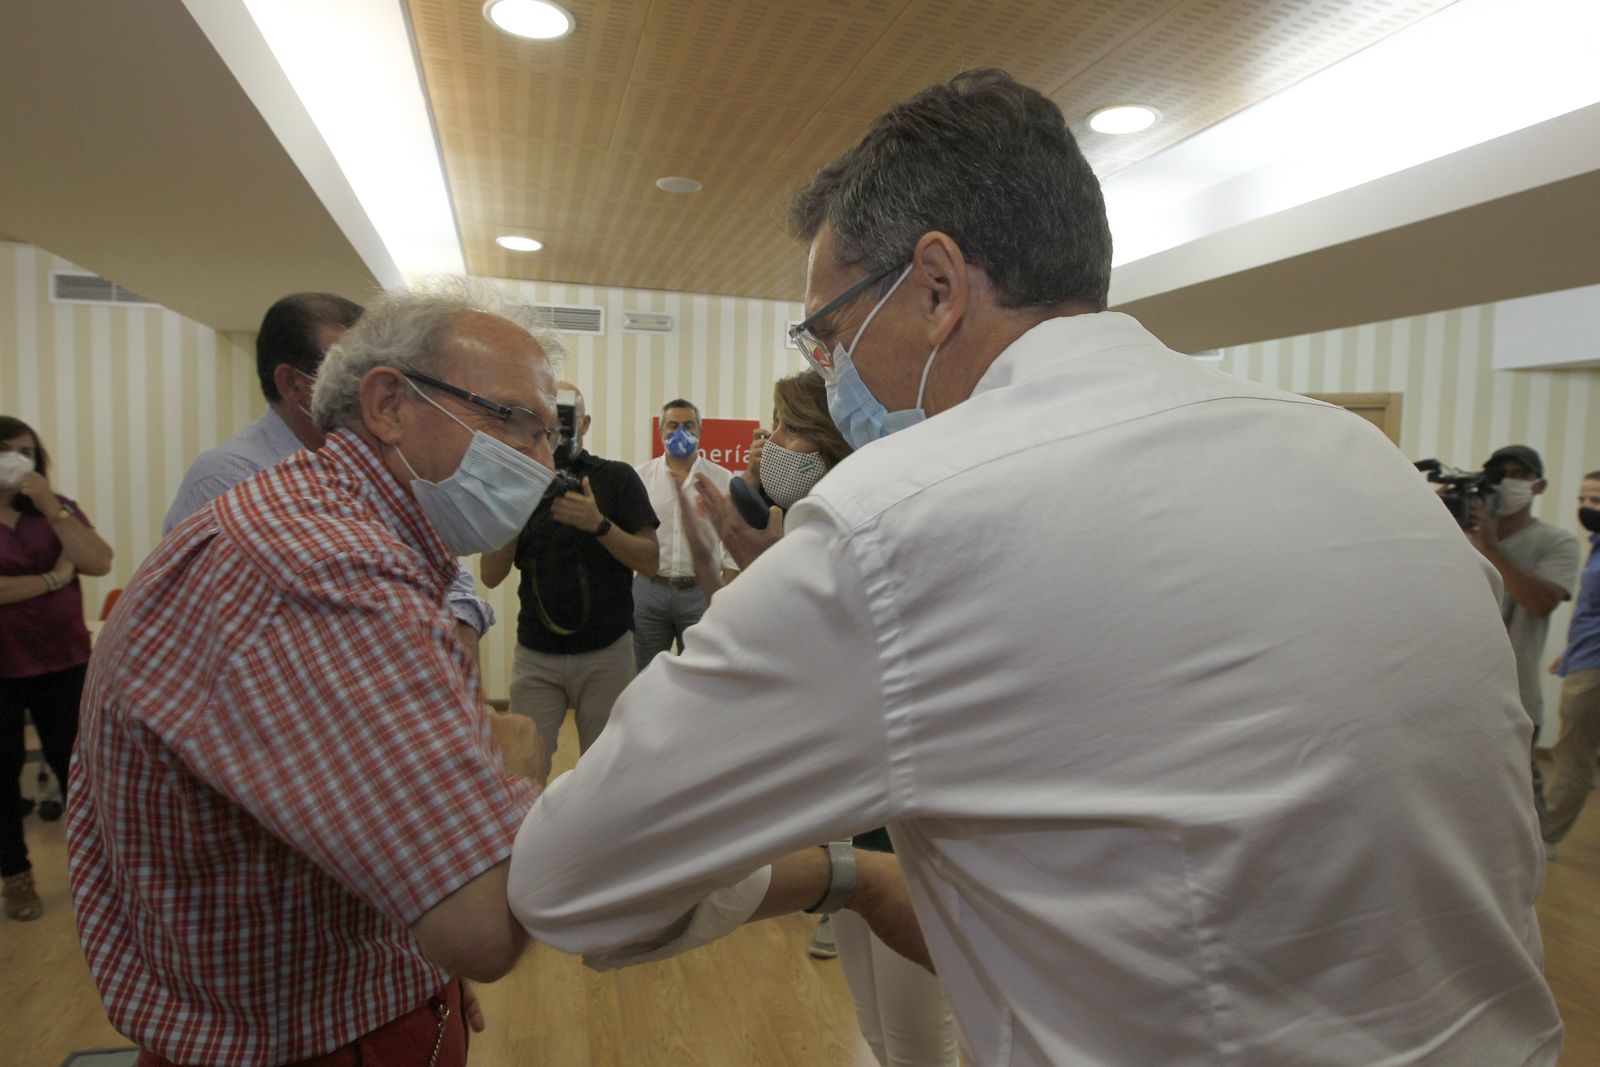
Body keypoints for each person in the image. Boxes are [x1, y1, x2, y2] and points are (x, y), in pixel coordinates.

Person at [505, 70, 1561, 1065]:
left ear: (935, 286)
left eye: (830, 334)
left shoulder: (899, 518)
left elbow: (569, 875)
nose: (829, 375)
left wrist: (834, 869)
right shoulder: (1363, 459)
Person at [68, 282, 554, 1066]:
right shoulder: (325, 567)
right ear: (388, 405)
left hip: (341, 996)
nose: (541, 463)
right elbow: (483, 926)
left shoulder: (316, 520)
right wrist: (521, 767)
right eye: (515, 421)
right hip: (312, 1039)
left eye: (550, 436)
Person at [686, 371, 958, 1067]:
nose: (769, 441)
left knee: (917, 1039)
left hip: (911, 828)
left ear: (832, 443)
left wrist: (766, 565)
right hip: (848, 815)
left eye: (787, 428)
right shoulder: (802, 539)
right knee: (876, 1025)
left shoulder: (876, 536)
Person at [161, 292, 497, 653]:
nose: (372, 393)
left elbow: (449, 573)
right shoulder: (227, 479)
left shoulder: (382, 464)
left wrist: (462, 626)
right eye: (349, 374)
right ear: (291, 384)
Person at [482, 382, 659, 782]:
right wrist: (518, 499)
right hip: (537, 654)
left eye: (564, 419)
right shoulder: (519, 482)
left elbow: (649, 561)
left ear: (586, 423)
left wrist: (599, 525)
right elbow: (490, 574)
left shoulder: (616, 478)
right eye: (546, 421)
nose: (556, 432)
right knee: (520, 773)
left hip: (607, 653)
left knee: (607, 773)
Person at [1, 417, 113, 921]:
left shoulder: (56, 509)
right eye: (4, 449)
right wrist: (52, 579)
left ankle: (102, 876)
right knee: (2, 778)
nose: (14, 459)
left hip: (64, 661)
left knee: (81, 773)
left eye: (24, 451)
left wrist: (52, 508)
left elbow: (98, 561)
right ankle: (16, 877)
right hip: (3, 667)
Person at [1465, 445, 1580, 808]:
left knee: (1520, 797)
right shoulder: (1459, 538)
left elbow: (1541, 603)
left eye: (1520, 475)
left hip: (1517, 695)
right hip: (1460, 691)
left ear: (1539, 485)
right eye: (1500, 475)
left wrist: (1492, 549)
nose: (1508, 482)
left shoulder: (1556, 542)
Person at [632, 398, 738, 671]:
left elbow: (732, 541)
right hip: (649, 591)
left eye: (688, 426)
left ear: (700, 430)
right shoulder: (639, 478)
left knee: (701, 671)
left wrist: (723, 589)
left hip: (700, 592)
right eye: (673, 426)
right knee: (645, 672)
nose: (680, 432)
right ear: (661, 432)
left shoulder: (722, 478)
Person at [1540, 469, 1600, 852]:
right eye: (1582, 499)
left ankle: (1545, 837)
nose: (1586, 507)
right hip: (1584, 658)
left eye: (1596, 500)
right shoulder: (1596, 546)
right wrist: (1571, 652)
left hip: (1593, 668)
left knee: (1572, 755)